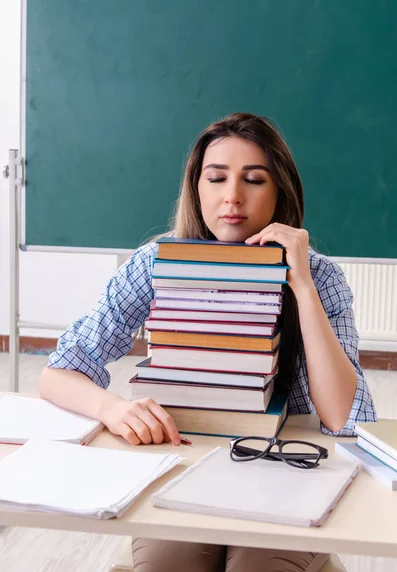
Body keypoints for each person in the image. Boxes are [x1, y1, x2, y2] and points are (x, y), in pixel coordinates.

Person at [40, 112, 376, 572]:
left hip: (282, 470)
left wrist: (301, 285)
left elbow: (345, 418)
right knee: (168, 565)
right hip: (182, 458)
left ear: (281, 191)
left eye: (254, 180)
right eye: (216, 178)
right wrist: (113, 409)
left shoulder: (319, 275)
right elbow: (59, 370)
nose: (232, 197)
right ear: (196, 188)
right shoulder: (158, 261)